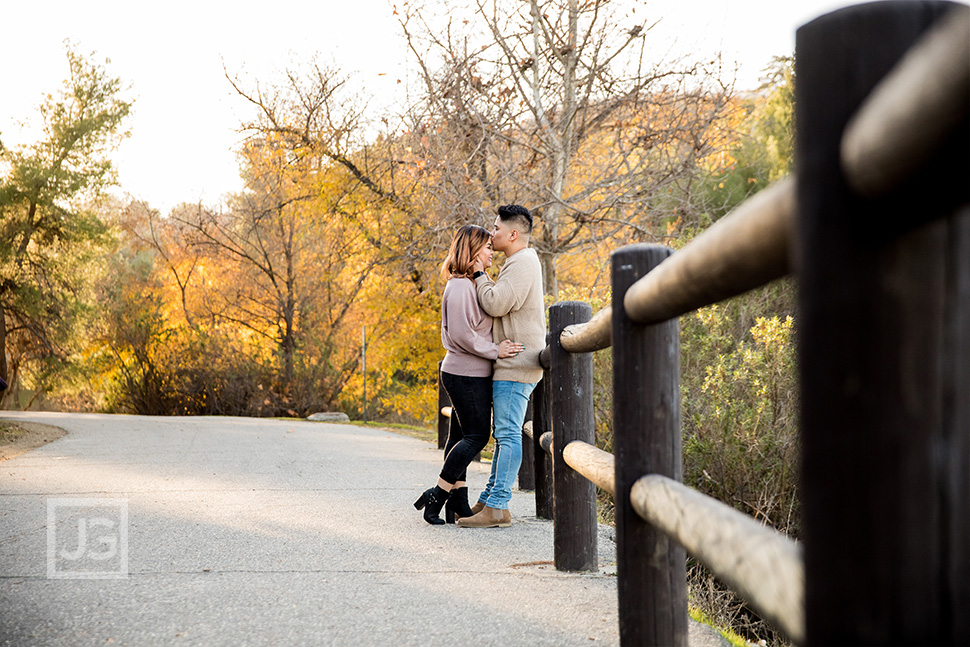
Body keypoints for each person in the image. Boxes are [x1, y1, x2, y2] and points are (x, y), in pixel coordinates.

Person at [414, 225, 523, 525]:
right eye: (487, 247)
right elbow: (463, 335)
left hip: (468, 373)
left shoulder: (469, 283)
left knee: (460, 436)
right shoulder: (460, 287)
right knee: (478, 436)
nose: (492, 252)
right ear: (474, 251)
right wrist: (495, 351)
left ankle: (458, 504)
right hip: (465, 373)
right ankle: (436, 495)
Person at [458, 204, 545, 528]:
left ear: (513, 233)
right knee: (504, 434)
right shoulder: (518, 262)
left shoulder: (522, 262)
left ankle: (498, 506)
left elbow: (495, 302)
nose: (491, 233)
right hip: (512, 363)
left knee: (508, 435)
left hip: (516, 364)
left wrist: (480, 274)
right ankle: (492, 499)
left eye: (495, 228)